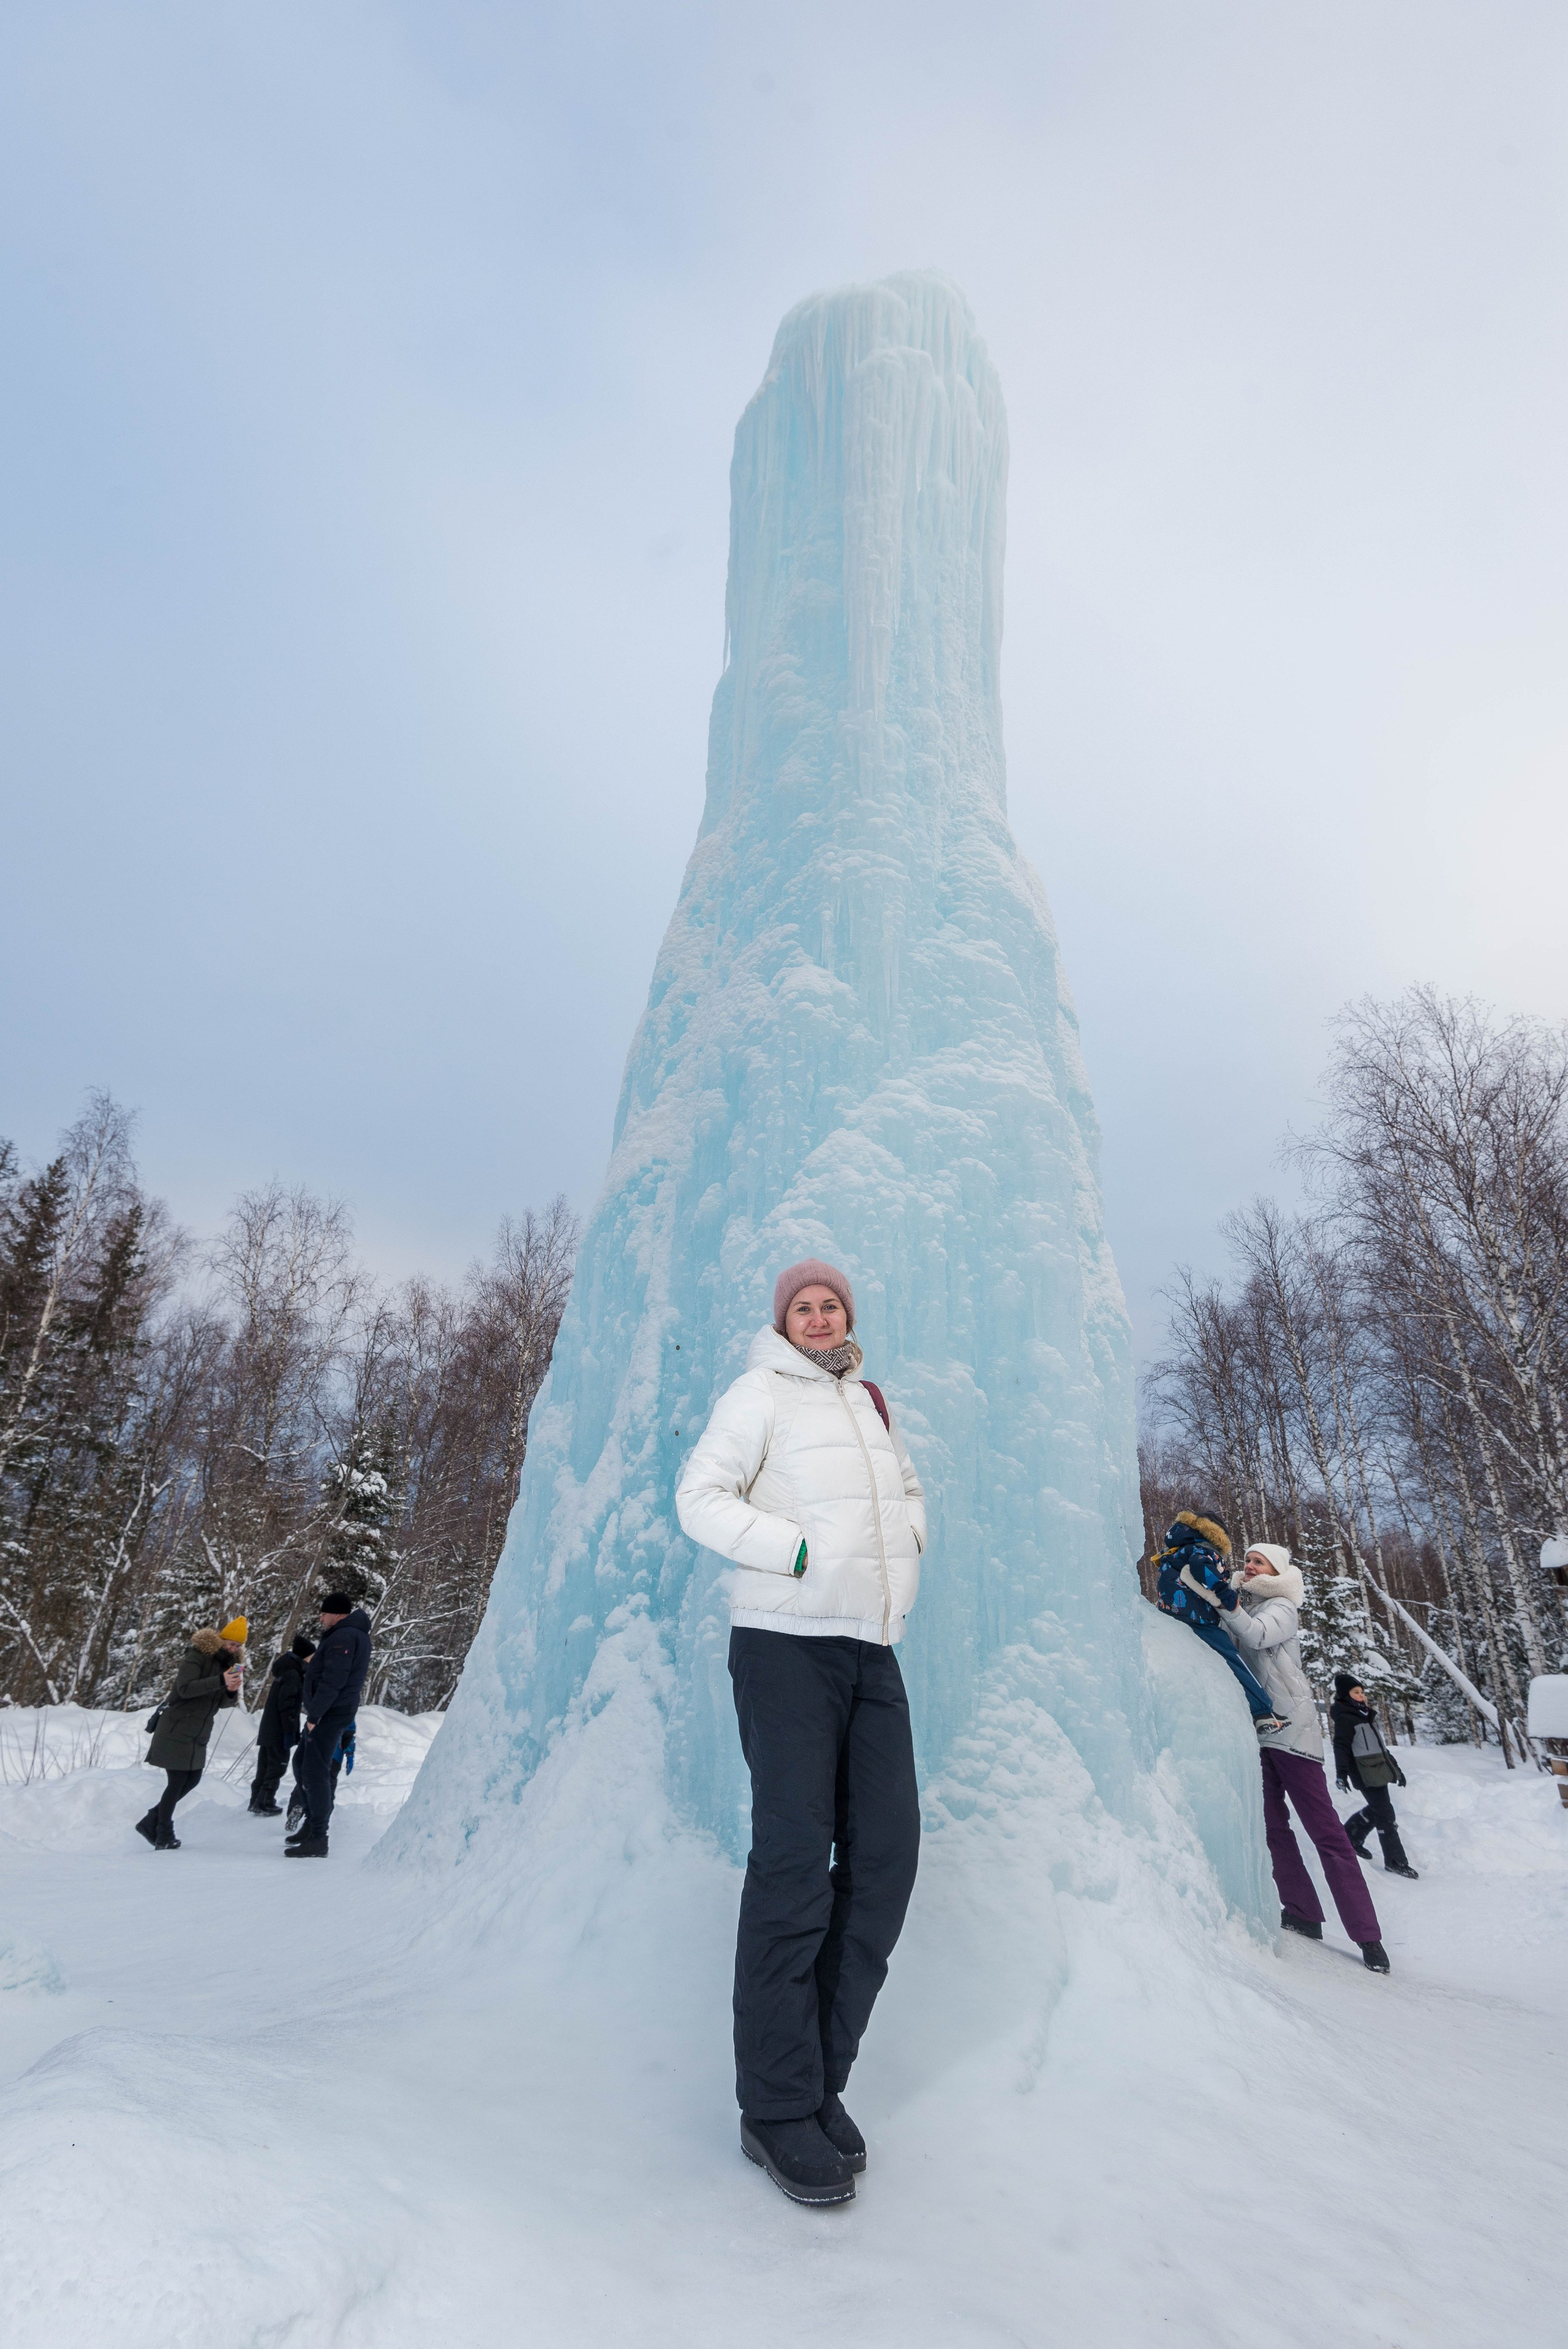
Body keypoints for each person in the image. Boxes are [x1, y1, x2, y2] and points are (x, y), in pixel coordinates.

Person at [675, 1258, 926, 2209]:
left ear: (849, 1315)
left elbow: (903, 1492)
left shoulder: (869, 1401)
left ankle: (820, 2079)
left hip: (872, 1648)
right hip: (784, 1645)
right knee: (792, 1863)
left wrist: (911, 1546)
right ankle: (774, 2106)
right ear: (783, 1321)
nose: (818, 1317)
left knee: (887, 1859)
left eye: (831, 1305)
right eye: (803, 1307)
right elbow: (700, 1494)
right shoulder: (758, 1392)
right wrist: (800, 1551)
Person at [1223, 1545, 1391, 1972]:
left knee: (1326, 1832)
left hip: (1293, 1732)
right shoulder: (1247, 1603)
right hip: (1261, 1730)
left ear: (1276, 1569)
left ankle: (1368, 1936)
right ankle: (1302, 1910)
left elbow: (1256, 1635)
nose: (1249, 1565)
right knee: (1273, 1827)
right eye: (1247, 1560)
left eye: (1258, 1561)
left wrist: (1221, 1598)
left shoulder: (1282, 1607)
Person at [1152, 1510, 1288, 1732]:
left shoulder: (1174, 1553)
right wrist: (1223, 1591)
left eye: (1257, 1562)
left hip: (1173, 1614)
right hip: (1199, 1619)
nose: (1249, 1565)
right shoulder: (1204, 1551)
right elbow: (1200, 1566)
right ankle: (1263, 1711)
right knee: (1233, 1660)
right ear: (1217, 1535)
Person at [137, 1616, 249, 1850]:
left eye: (238, 1646)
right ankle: (163, 1833)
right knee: (177, 1780)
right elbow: (184, 1689)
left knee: (193, 1778)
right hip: (177, 1726)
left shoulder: (227, 1666)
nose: (233, 1649)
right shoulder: (197, 1655)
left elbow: (222, 1704)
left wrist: (230, 1690)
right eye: (231, 1643)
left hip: (199, 1731)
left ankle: (152, 1821)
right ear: (221, 1639)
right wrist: (220, 1680)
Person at [287, 1592, 372, 1858]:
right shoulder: (347, 1634)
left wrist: (315, 1715)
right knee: (302, 1764)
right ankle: (312, 1827)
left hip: (330, 1714)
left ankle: (318, 1837)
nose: (321, 1617)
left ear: (337, 1614)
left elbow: (333, 1680)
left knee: (315, 1772)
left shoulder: (345, 1636)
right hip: (329, 1712)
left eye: (324, 1613)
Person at [1332, 1674, 1418, 1879]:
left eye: (1362, 1692)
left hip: (1377, 1771)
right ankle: (1396, 1861)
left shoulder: (1365, 1716)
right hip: (1363, 1773)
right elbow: (1341, 1747)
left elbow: (1381, 1749)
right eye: (1356, 1692)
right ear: (1346, 1695)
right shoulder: (1346, 1718)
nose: (1361, 1696)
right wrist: (1341, 1774)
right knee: (1386, 1815)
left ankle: (1351, 1837)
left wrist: (1396, 1771)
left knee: (1378, 1810)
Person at [248, 1633, 315, 1816]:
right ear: (304, 1657)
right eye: (311, 1657)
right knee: (277, 1766)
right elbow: (287, 1705)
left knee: (264, 1766)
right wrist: (288, 1732)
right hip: (279, 1731)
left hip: (269, 1729)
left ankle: (256, 1801)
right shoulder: (293, 1675)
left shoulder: (286, 1671)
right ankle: (265, 1802)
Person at [285, 1715, 355, 1834]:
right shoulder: (346, 1711)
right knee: (328, 1789)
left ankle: (297, 1806)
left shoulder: (318, 1710)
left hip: (314, 1753)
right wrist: (350, 1755)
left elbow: (307, 1731)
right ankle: (322, 1822)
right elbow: (349, 1735)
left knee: (305, 1784)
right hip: (334, 1758)